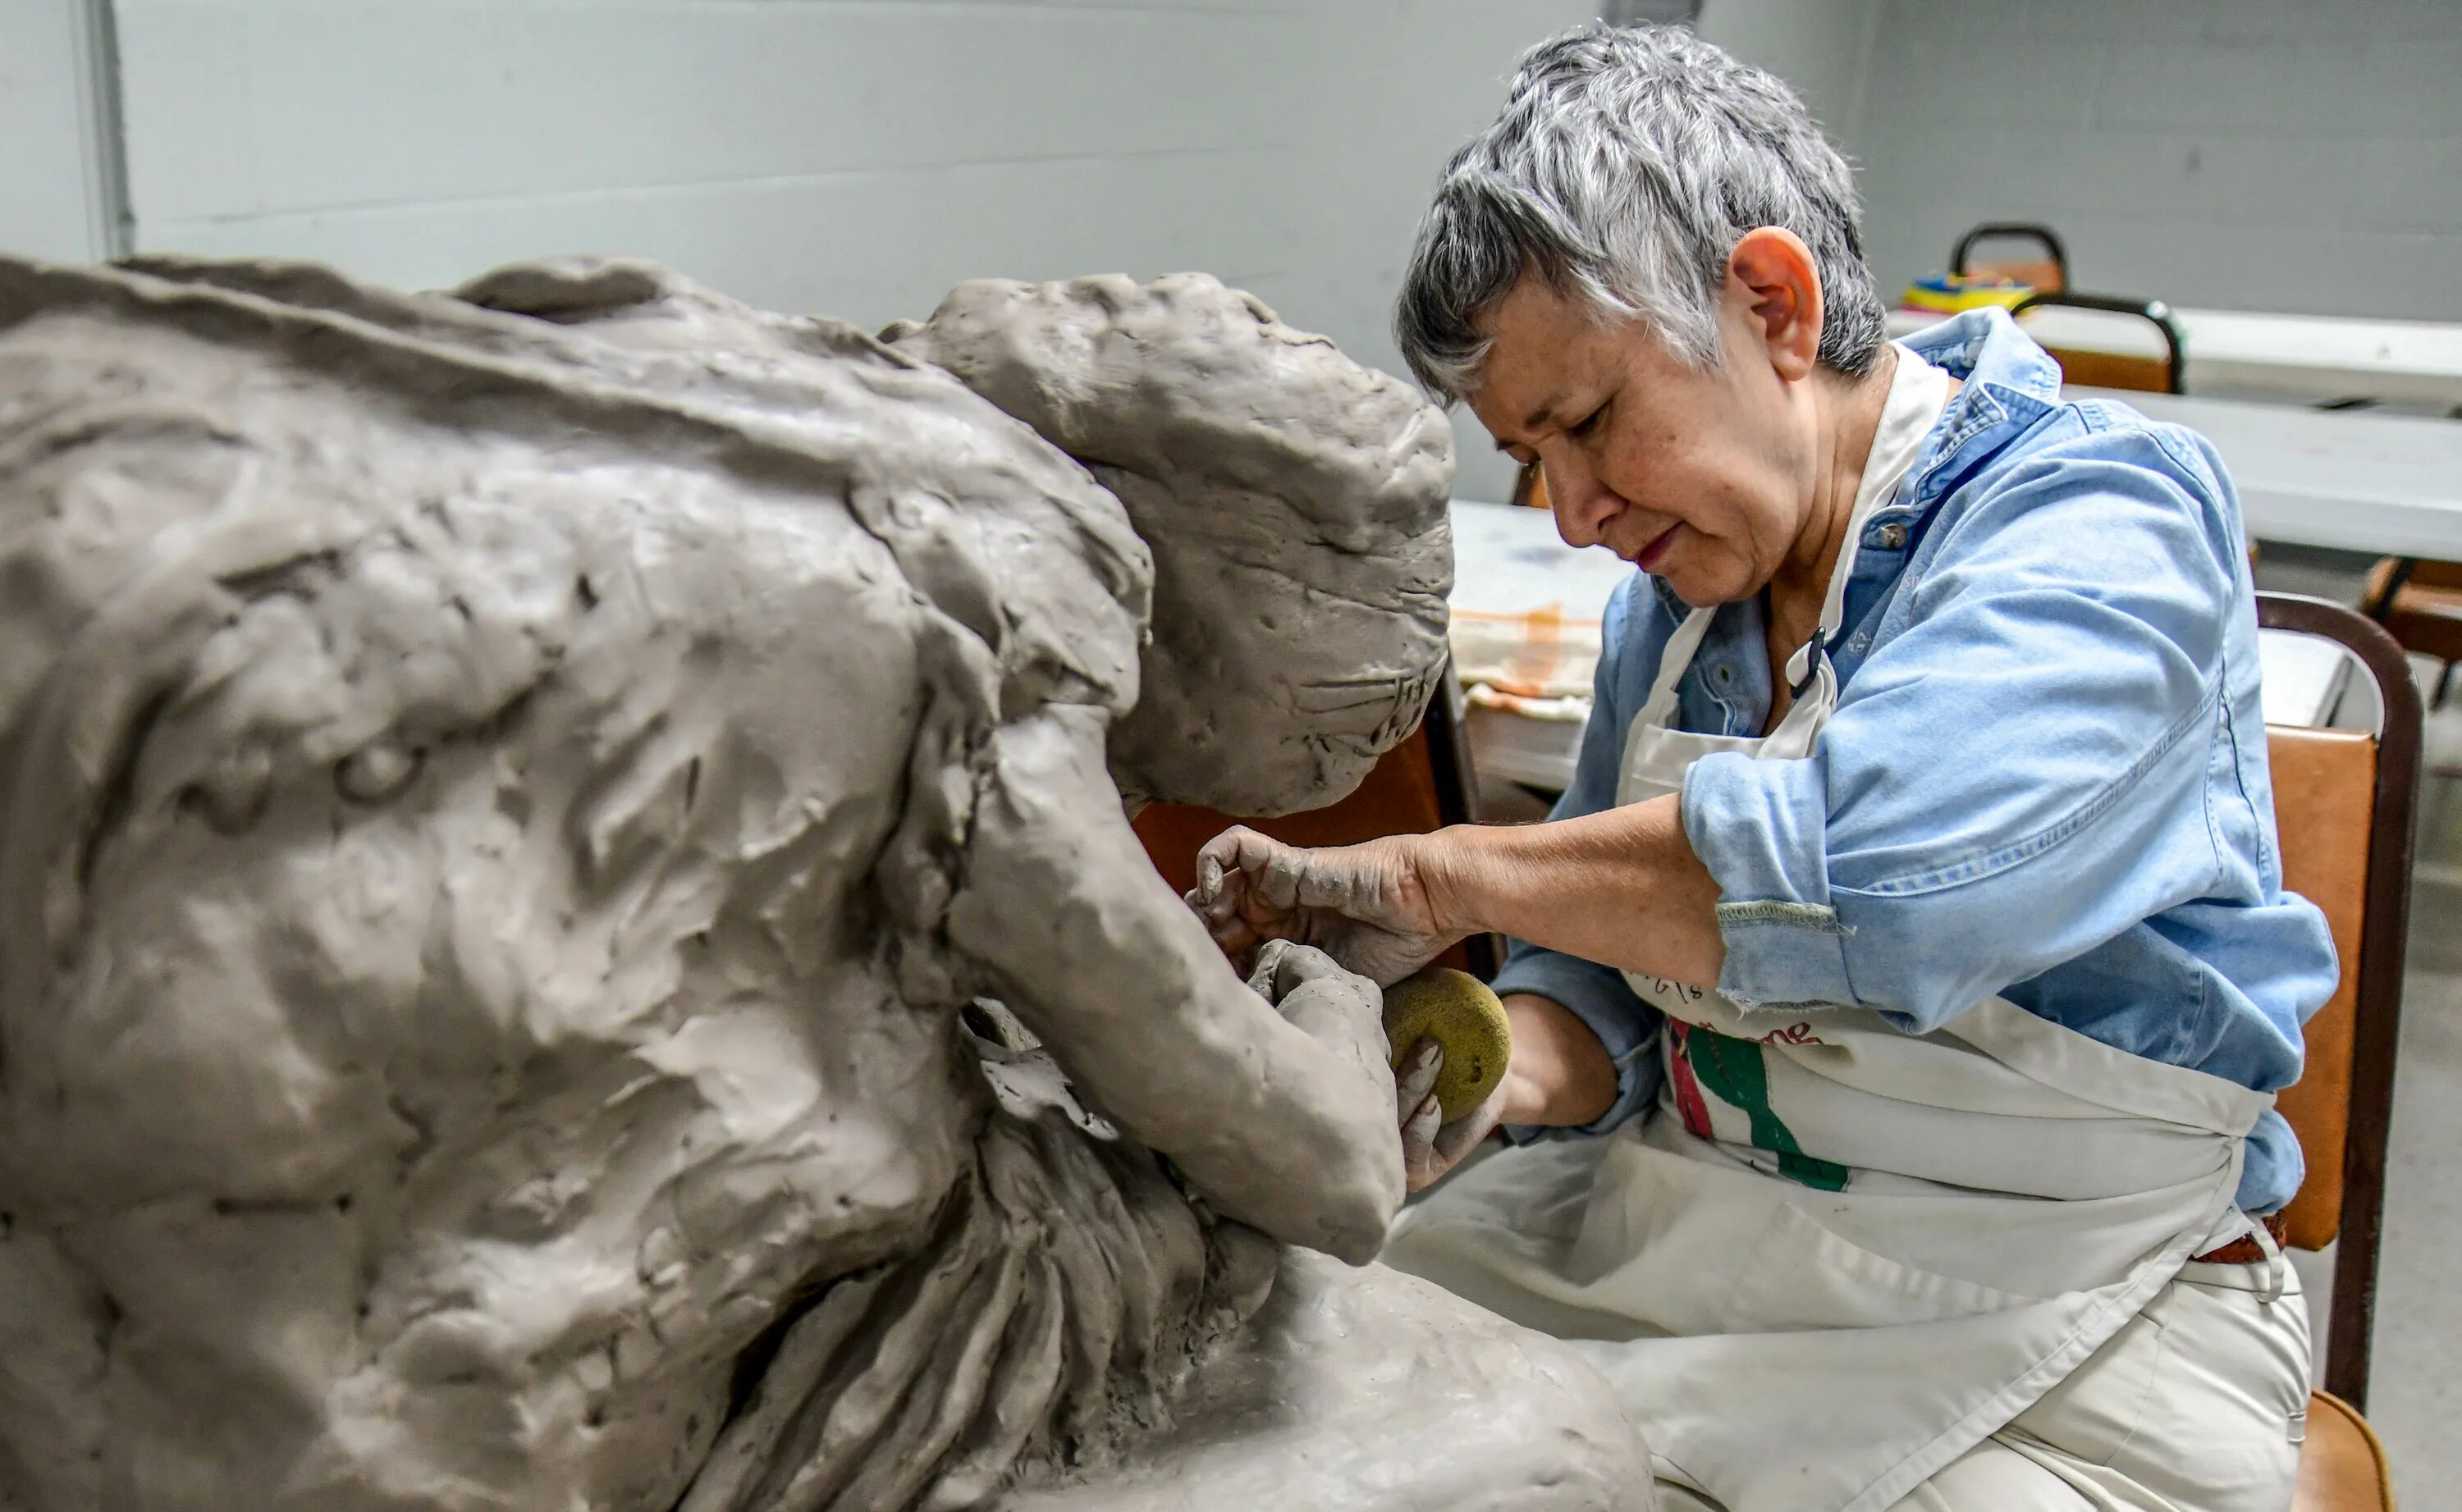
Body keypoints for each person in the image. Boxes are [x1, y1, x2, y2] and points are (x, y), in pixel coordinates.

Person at [1188, 23, 2336, 1512]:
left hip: (2073, 1306)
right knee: (1257, 1405)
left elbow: (1894, 879)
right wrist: (1472, 1074)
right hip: (1690, 1232)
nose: (1575, 513)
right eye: (1534, 459)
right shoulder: (1674, 613)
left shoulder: (2105, 517)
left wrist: (1441, 873)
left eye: (1590, 424)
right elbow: (1606, 978)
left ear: (1773, 304)